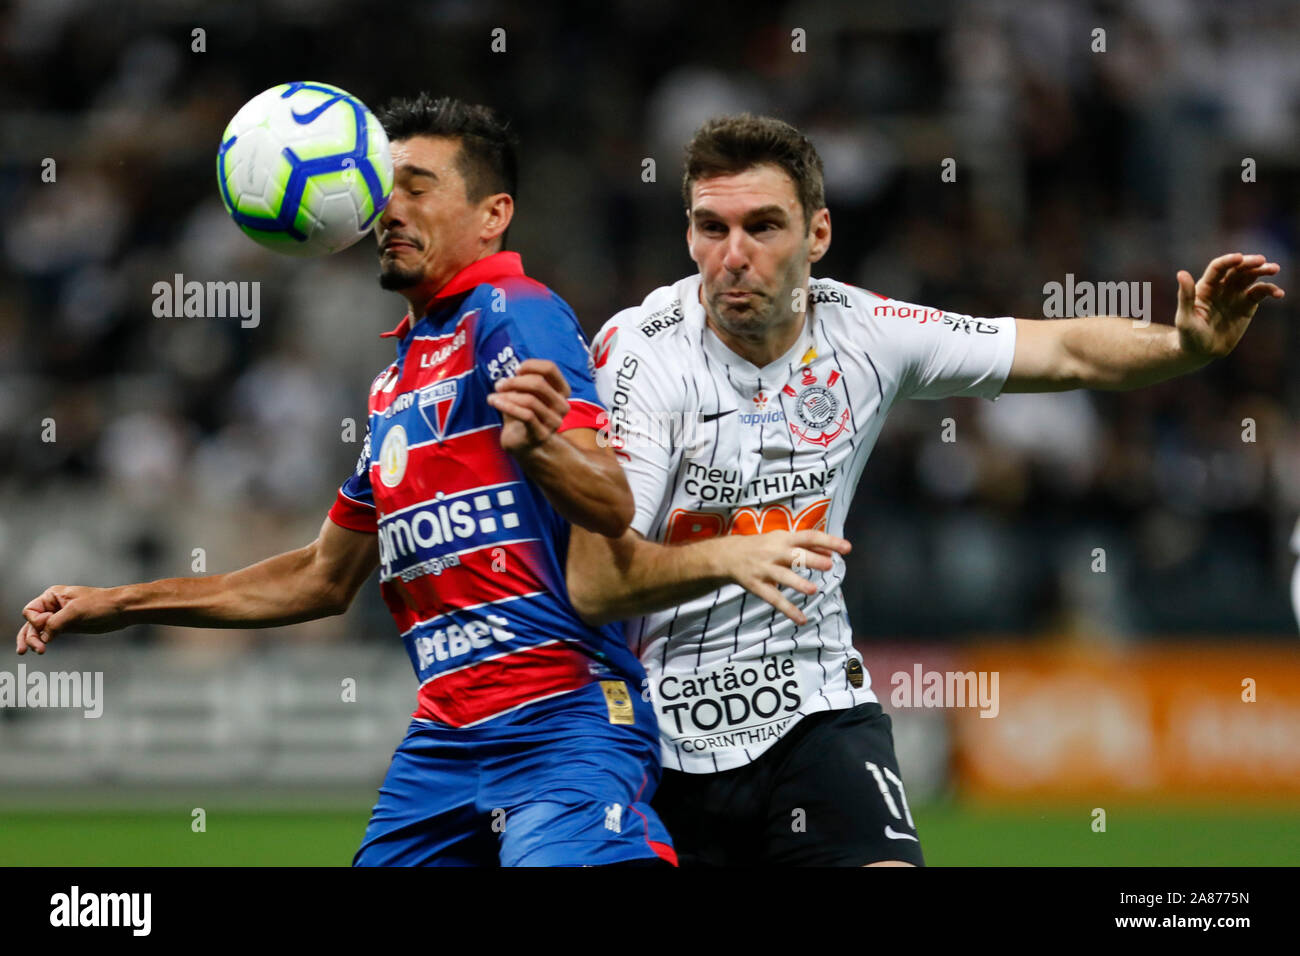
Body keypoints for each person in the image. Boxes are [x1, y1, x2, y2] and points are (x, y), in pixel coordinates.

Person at [565, 113, 1285, 866]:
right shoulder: (642, 359)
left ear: (817, 235)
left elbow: (1062, 346)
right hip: (658, 731)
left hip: (817, 710)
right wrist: (731, 557)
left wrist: (1181, 347)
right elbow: (594, 579)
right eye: (711, 227)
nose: (733, 256)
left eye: (763, 227)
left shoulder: (866, 332)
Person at [15, 94, 675, 868]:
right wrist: (122, 603)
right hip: (443, 744)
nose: (384, 208)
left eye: (416, 186)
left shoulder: (513, 312)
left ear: (493, 214)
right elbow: (321, 577)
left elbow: (611, 500)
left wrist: (541, 450)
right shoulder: (396, 382)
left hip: (560, 719)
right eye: (378, 185)